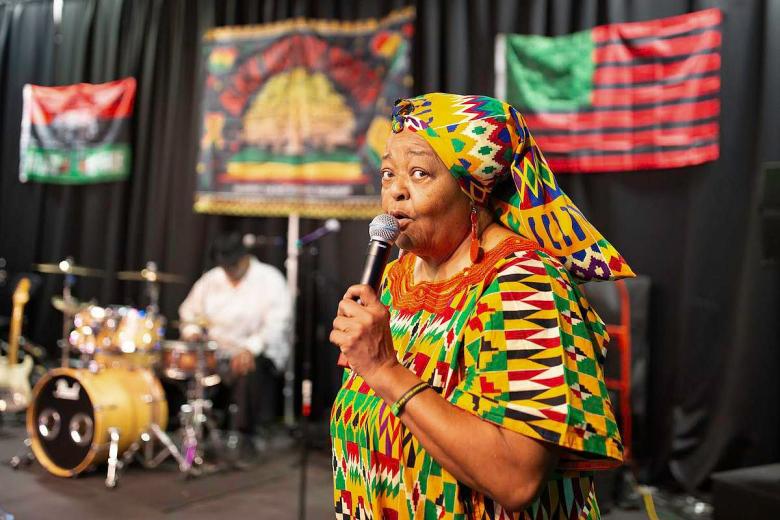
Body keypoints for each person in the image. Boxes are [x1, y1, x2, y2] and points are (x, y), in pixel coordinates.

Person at [329, 93, 634, 519]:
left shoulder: (525, 285)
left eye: (419, 173)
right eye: (387, 172)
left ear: (473, 189)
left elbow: (516, 478)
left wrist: (384, 370)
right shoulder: (395, 280)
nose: (395, 191)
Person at [178, 232, 291, 445]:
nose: (229, 271)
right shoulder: (211, 280)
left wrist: (250, 349)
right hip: (216, 351)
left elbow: (277, 325)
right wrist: (192, 332)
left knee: (247, 367)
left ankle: (243, 435)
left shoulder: (270, 279)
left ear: (245, 257)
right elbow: (189, 312)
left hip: (256, 351)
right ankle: (197, 430)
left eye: (233, 264)